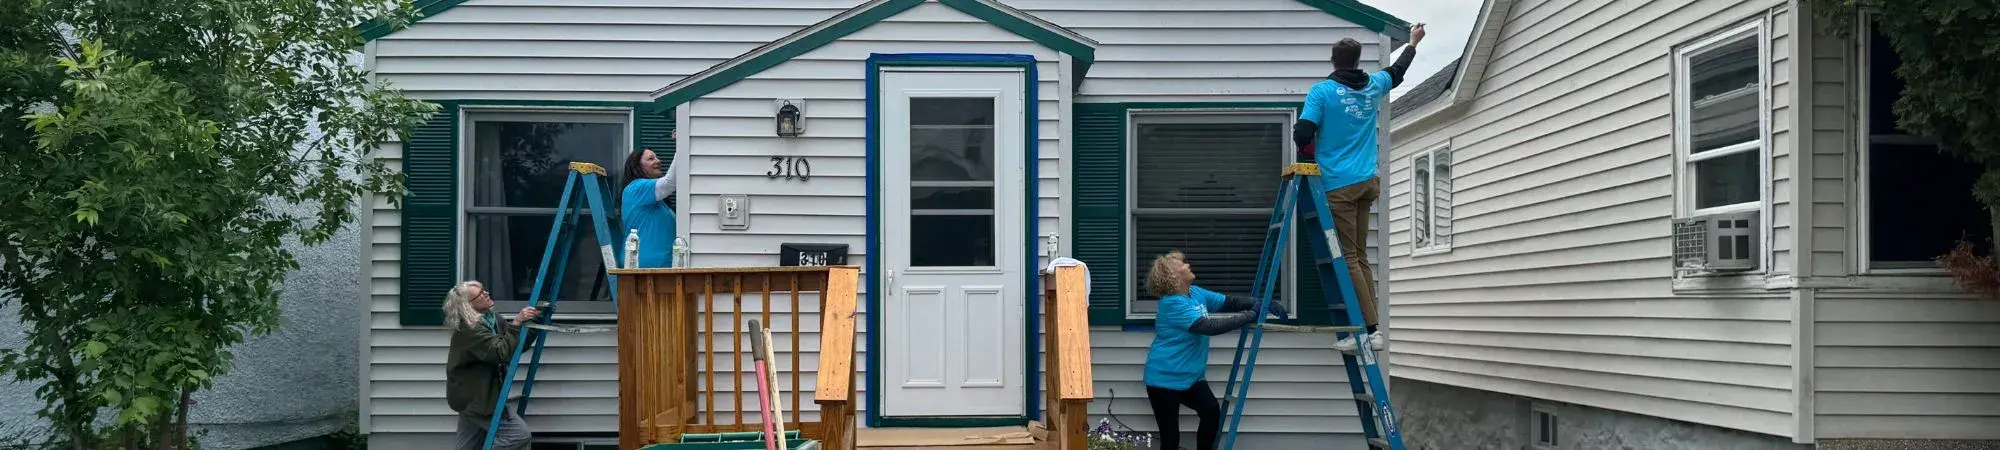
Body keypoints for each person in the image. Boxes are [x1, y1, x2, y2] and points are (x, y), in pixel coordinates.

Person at [1294, 24, 1426, 353]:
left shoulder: (1322, 92)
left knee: (1349, 259)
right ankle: (1371, 328)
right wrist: (1412, 43)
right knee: (1361, 257)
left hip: (1340, 185)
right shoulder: (1373, 85)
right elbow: (1397, 72)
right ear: (1356, 61)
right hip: (1368, 182)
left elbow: (1302, 133)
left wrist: (1308, 139)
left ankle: (1369, 331)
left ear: (1333, 62)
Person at [1143, 251, 1290, 450]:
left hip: (1191, 377)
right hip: (1163, 379)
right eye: (1182, 265)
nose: (1188, 266)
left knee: (1211, 412)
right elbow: (1208, 327)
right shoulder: (1171, 304)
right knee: (1170, 438)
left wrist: (1264, 302)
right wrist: (1251, 314)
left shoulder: (1195, 293)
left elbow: (1230, 302)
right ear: (1174, 276)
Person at [443, 280, 541, 450]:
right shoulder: (470, 329)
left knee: (468, 446)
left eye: (484, 290)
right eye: (480, 294)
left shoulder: (492, 319)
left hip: (475, 396)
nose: (486, 294)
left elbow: (512, 346)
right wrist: (517, 323)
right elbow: (500, 353)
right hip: (477, 398)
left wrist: (534, 324)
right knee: (518, 435)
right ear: (468, 305)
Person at [622, 146, 683, 268]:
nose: (658, 161)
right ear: (637, 166)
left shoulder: (658, 202)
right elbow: (670, 183)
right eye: (651, 159)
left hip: (658, 268)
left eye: (656, 157)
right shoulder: (636, 188)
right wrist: (681, 144)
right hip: (645, 269)